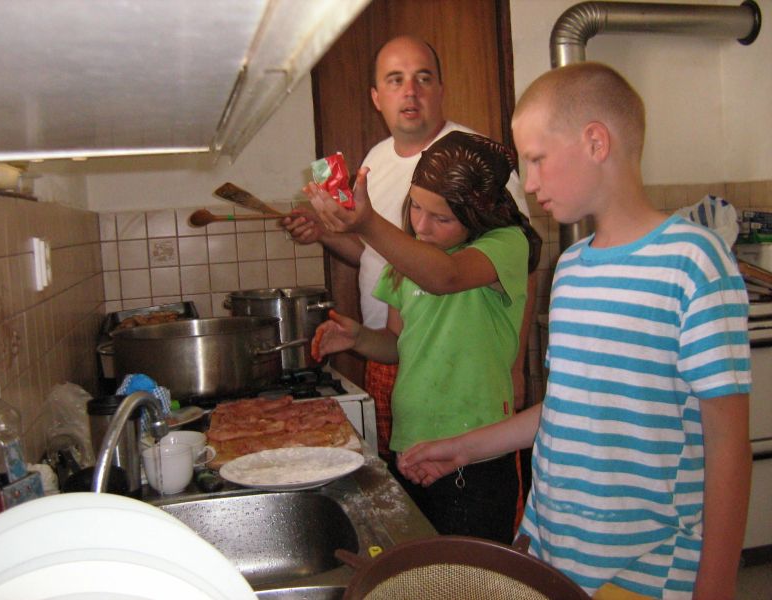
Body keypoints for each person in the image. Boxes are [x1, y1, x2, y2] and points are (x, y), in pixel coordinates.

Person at [398, 62, 752, 599]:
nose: (529, 183)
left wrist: (716, 588)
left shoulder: (693, 263)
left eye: (537, 159)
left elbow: (728, 445)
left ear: (595, 142)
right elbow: (568, 405)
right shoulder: (570, 268)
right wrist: (464, 449)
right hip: (554, 559)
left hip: (646, 573)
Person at [281, 35, 536, 460]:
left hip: (472, 379)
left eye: (423, 78)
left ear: (441, 89)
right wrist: (328, 234)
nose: (411, 91)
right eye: (396, 80)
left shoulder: (475, 163)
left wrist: (515, 366)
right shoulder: (375, 161)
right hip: (396, 352)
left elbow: (513, 269)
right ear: (376, 97)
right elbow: (378, 255)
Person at [305, 130, 541, 543]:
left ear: (479, 215)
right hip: (411, 446)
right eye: (415, 206)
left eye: (441, 217)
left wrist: (367, 223)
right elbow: (397, 343)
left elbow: (445, 277)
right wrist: (359, 338)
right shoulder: (407, 258)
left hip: (477, 453)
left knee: (470, 575)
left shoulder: (506, 245)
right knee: (422, 571)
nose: (422, 225)